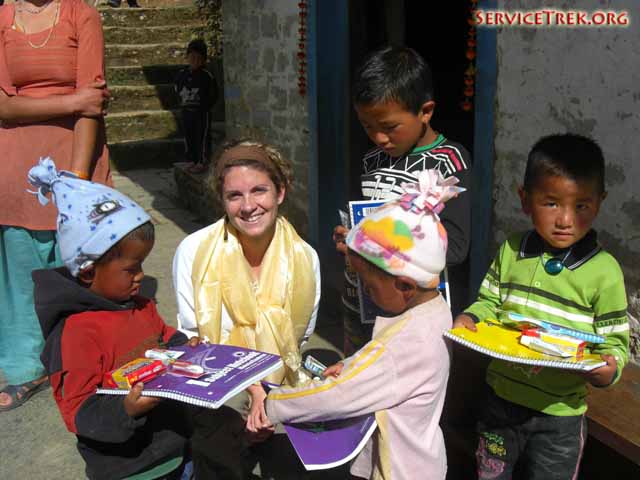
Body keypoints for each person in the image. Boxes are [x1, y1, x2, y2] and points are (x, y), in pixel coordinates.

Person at [28, 158, 247, 480]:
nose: (141, 276)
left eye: (142, 264)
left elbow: (164, 337)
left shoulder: (139, 306)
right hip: (127, 466)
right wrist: (127, 409)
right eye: (131, 268)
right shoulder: (75, 333)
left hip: (175, 445)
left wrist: (186, 346)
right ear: (88, 272)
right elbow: (77, 410)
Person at [262, 169, 463, 480]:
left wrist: (274, 403)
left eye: (369, 286)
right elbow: (388, 373)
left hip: (397, 471)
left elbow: (339, 394)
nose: (366, 293)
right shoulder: (436, 311)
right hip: (421, 459)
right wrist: (351, 365)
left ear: (405, 285)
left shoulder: (404, 344)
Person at [454, 133, 629, 480]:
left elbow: (614, 344)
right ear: (525, 199)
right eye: (551, 203)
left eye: (581, 206)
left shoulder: (605, 272)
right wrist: (471, 317)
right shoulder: (511, 250)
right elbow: (489, 302)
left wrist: (607, 369)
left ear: (600, 202)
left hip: (559, 416)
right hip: (500, 402)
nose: (565, 220)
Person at [0, 0, 111, 411]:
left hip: (75, 154)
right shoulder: (2, 19)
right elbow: (2, 105)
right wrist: (72, 101)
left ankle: (87, 359)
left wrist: (77, 181)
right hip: (15, 164)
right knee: (20, 269)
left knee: (85, 266)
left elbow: (93, 104)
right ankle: (27, 366)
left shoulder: (81, 15)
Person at [173, 139, 321, 433]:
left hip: (280, 389)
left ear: (280, 192)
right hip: (216, 390)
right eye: (234, 195)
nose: (248, 206)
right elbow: (193, 337)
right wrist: (254, 391)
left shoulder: (305, 258)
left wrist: (268, 397)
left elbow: (299, 337)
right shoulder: (194, 251)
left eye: (259, 190)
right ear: (222, 200)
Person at [333, 45, 472, 355]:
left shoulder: (450, 162)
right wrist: (350, 237)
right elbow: (365, 218)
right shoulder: (371, 160)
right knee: (357, 373)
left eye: (389, 127)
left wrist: (375, 248)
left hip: (412, 315)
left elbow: (456, 246)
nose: (379, 138)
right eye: (368, 126)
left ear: (426, 111)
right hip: (362, 303)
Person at [175, 39, 218, 174]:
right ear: (187, 57)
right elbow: (177, 89)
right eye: (192, 57)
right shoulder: (181, 75)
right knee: (189, 136)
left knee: (202, 137)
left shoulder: (207, 76)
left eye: (199, 58)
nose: (195, 61)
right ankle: (191, 159)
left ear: (203, 60)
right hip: (186, 111)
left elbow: (214, 94)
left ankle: (202, 161)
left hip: (201, 113)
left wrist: (206, 107)